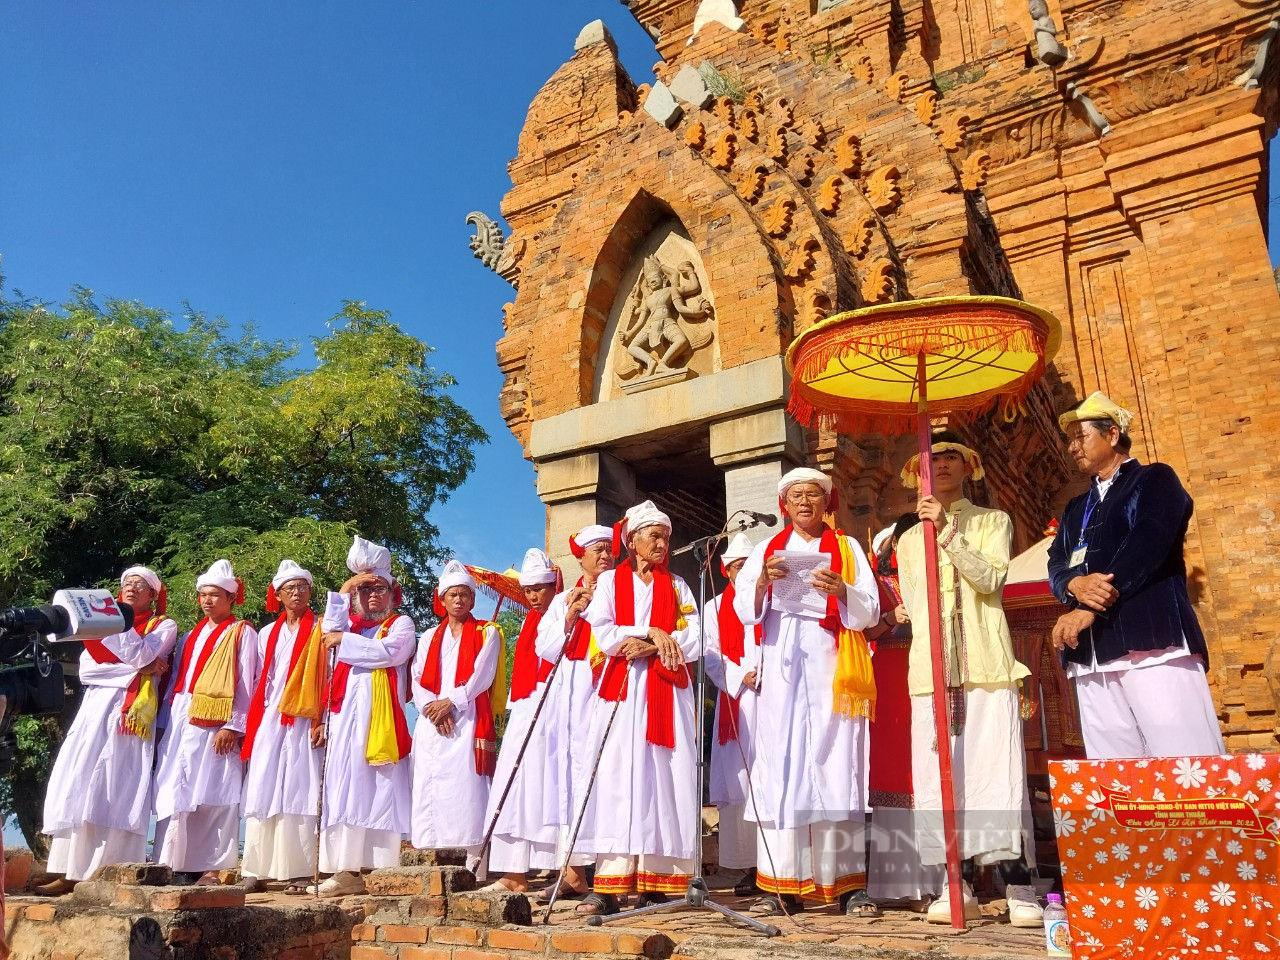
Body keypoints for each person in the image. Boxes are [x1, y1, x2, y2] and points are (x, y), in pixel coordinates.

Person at [896, 432, 1041, 927]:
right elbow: (916, 607)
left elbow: (992, 580)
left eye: (951, 456)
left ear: (969, 466)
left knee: (995, 772)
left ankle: (1017, 882)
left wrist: (949, 535)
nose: (941, 464)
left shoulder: (991, 521)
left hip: (984, 665)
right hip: (932, 672)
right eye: (931, 459)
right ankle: (951, 882)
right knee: (939, 780)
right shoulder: (908, 539)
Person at [733, 467, 881, 918]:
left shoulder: (848, 548)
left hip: (833, 667)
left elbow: (871, 609)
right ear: (784, 504)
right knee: (784, 766)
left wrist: (842, 589)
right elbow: (744, 610)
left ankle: (847, 885)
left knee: (838, 765)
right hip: (782, 670)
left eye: (813, 495)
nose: (804, 502)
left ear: (826, 502)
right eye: (795, 495)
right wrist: (761, 584)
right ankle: (782, 887)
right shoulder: (765, 550)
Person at [1048, 392, 1225, 759]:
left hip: (1152, 644)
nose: (1071, 447)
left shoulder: (1154, 479)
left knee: (1184, 761)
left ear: (1112, 435)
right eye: (1069, 440)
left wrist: (1090, 607)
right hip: (1091, 656)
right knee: (1116, 774)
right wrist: (1071, 585)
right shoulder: (1077, 506)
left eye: (1080, 436)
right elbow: (1056, 560)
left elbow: (1149, 542)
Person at [574, 500, 700, 916]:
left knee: (664, 777)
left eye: (665, 537)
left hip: (666, 689)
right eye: (654, 536)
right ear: (632, 542)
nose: (662, 544)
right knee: (617, 778)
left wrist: (657, 645)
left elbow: (697, 635)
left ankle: (658, 883)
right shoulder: (610, 582)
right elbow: (605, 633)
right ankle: (610, 885)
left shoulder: (679, 586)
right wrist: (649, 630)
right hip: (623, 692)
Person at [38, 566, 179, 894]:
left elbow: (143, 654)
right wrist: (138, 669)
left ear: (153, 595)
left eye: (140, 585)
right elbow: (88, 670)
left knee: (114, 785)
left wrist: (119, 624)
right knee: (80, 780)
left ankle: (103, 870)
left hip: (128, 717)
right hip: (94, 711)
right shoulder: (97, 627)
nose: (131, 588)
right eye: (127, 583)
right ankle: (67, 870)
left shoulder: (163, 625)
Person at [311, 536, 416, 896]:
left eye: (380, 589)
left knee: (380, 790)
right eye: (365, 589)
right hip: (343, 720)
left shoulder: (401, 624)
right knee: (344, 788)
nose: (373, 595)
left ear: (392, 594)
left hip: (379, 722)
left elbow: (388, 654)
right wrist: (344, 588)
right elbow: (328, 637)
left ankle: (381, 868)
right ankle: (345, 871)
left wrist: (345, 642)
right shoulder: (349, 627)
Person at [152, 559, 258, 884]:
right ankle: (170, 864)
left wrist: (234, 726)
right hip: (182, 717)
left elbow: (245, 683)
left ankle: (212, 868)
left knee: (215, 790)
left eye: (215, 595)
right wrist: (162, 723)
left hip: (216, 722)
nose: (208, 601)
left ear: (230, 598)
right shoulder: (189, 636)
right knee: (175, 788)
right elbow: (175, 681)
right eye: (203, 595)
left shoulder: (242, 632)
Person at [864, 516, 945, 908]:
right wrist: (890, 618)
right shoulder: (878, 584)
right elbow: (859, 630)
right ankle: (895, 886)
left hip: (929, 674)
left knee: (928, 774)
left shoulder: (936, 578)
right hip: (890, 680)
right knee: (897, 775)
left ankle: (938, 884)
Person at [534, 524, 615, 903]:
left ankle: (612, 874)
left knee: (607, 778)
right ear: (580, 556)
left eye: (608, 549)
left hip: (608, 688)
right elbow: (544, 646)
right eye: (596, 550)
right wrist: (570, 614)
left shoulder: (621, 588)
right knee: (569, 781)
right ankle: (573, 873)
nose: (604, 555)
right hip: (571, 696)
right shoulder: (562, 598)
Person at [410, 560, 504, 869]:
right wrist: (432, 708)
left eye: (464, 594)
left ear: (473, 599)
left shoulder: (486, 633)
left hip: (467, 717)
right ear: (442, 598)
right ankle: (431, 860)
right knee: (431, 785)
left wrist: (450, 702)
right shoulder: (427, 637)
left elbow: (482, 676)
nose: (459, 600)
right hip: (432, 722)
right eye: (453, 595)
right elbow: (417, 677)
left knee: (469, 790)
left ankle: (475, 865)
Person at [240, 560, 326, 891]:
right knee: (263, 785)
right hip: (271, 716)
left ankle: (300, 871)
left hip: (305, 716)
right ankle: (255, 869)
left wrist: (323, 719)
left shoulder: (321, 628)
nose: (297, 593)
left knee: (300, 788)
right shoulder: (266, 634)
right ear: (277, 595)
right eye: (290, 589)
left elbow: (328, 676)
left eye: (303, 587)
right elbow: (260, 678)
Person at [482, 548, 560, 892]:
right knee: (513, 788)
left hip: (554, 710)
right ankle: (513, 872)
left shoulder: (563, 615)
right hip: (526, 708)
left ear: (554, 586)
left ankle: (562, 871)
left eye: (540, 588)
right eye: (528, 590)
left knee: (548, 788)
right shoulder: (530, 620)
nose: (533, 596)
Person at [702, 531, 762, 895]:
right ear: (726, 571)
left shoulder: (768, 598)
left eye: (748, 565)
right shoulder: (712, 609)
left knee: (766, 782)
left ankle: (778, 867)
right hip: (736, 698)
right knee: (739, 786)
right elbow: (711, 655)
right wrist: (741, 675)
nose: (743, 572)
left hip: (769, 698)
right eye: (737, 566)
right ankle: (750, 867)